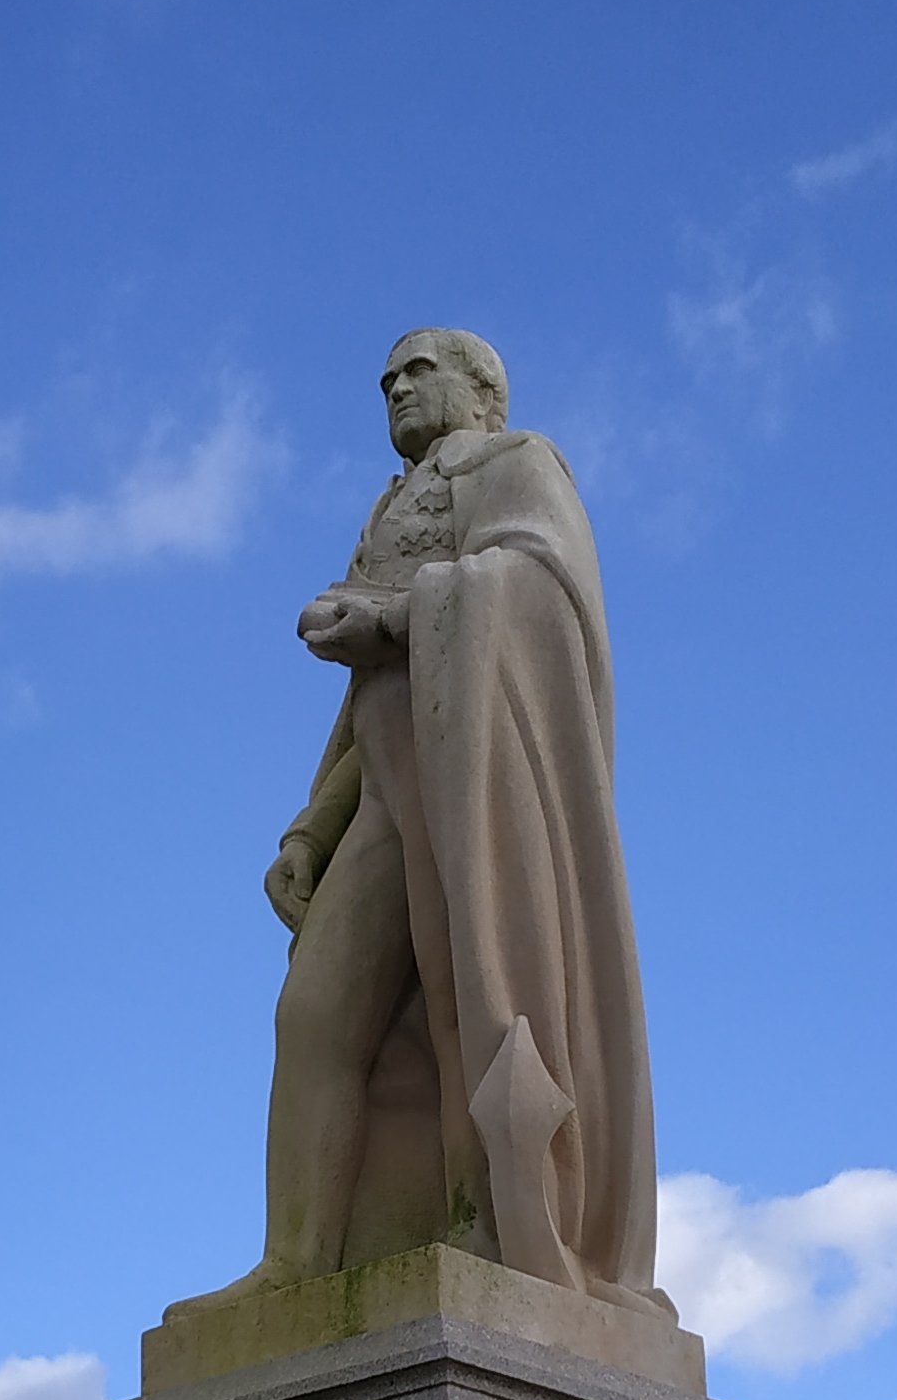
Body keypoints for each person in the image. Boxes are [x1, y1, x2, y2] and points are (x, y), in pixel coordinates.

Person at [213, 325, 667, 1321]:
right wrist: (309, 832)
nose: (397, 390)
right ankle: (296, 1263)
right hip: (386, 793)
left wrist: (397, 615)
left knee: (476, 1008)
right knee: (316, 1013)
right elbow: (366, 704)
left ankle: (493, 1228)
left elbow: (540, 590)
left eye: (420, 372)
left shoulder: (517, 461)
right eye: (386, 380)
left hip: (479, 798)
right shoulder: (385, 508)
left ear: (480, 389)